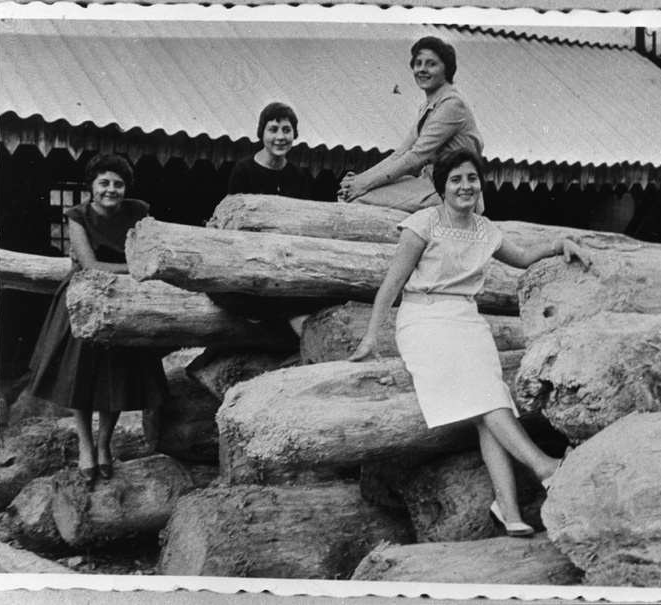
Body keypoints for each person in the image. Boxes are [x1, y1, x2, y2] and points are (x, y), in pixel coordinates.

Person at [349, 149, 591, 536]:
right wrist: (371, 336)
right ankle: (543, 465)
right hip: (424, 321)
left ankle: (508, 510)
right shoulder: (423, 224)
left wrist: (557, 244)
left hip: (466, 322)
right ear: (442, 187)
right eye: (456, 180)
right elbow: (391, 284)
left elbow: (523, 256)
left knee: (489, 405)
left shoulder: (485, 229)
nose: (466, 186)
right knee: (487, 399)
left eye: (472, 178)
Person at [27, 153, 169, 485]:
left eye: (118, 184)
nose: (111, 190)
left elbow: (151, 251)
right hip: (83, 299)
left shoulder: (139, 212)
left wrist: (137, 268)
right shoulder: (78, 216)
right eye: (103, 183)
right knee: (80, 376)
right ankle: (84, 444)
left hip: (124, 301)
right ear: (91, 186)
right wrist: (134, 268)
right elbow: (90, 266)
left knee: (116, 377)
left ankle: (104, 444)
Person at [338, 36, 483, 213]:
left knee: (357, 198)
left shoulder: (452, 104)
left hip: (453, 189)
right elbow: (400, 153)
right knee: (350, 193)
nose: (422, 69)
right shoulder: (427, 106)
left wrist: (363, 185)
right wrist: (360, 179)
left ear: (447, 69)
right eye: (418, 63)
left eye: (431, 64)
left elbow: (415, 158)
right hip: (431, 183)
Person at [228, 102, 311, 200]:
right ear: (262, 132)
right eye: (273, 130)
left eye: (287, 130)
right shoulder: (242, 172)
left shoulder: (298, 176)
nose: (280, 137)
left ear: (294, 133)